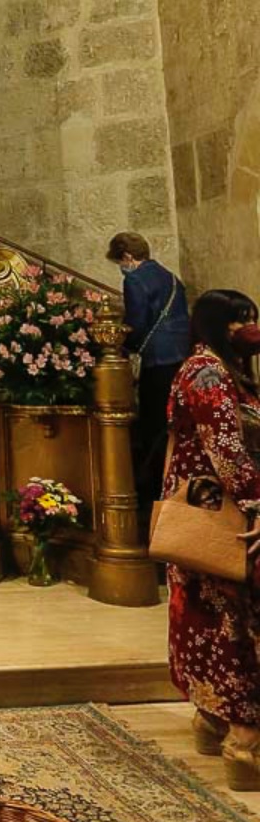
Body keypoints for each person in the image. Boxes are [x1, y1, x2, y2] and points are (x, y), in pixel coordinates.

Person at [161, 289, 260, 790]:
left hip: (210, 509)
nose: (250, 328)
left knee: (211, 616)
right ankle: (245, 740)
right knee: (232, 620)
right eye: (242, 320)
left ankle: (213, 721)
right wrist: (256, 501)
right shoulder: (207, 374)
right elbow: (225, 449)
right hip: (218, 514)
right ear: (219, 325)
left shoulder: (224, 370)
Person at [107, 231, 191, 510]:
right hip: (181, 353)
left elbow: (138, 321)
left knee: (153, 421)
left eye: (120, 260)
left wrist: (124, 344)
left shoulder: (135, 279)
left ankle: (153, 489)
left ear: (128, 257)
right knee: (174, 419)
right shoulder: (168, 276)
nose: (122, 266)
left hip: (158, 356)